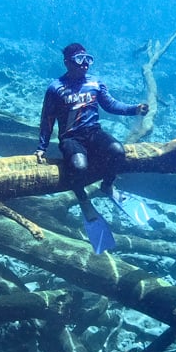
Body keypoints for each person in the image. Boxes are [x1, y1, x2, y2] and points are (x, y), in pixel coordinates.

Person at [35, 42, 148, 223]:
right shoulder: (55, 88)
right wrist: (42, 147)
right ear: (67, 62)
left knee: (118, 151)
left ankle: (108, 186)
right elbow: (47, 119)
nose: (85, 64)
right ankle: (83, 199)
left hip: (93, 133)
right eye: (79, 59)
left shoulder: (95, 83)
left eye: (88, 59)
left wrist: (134, 109)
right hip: (71, 138)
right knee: (79, 167)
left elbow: (111, 105)